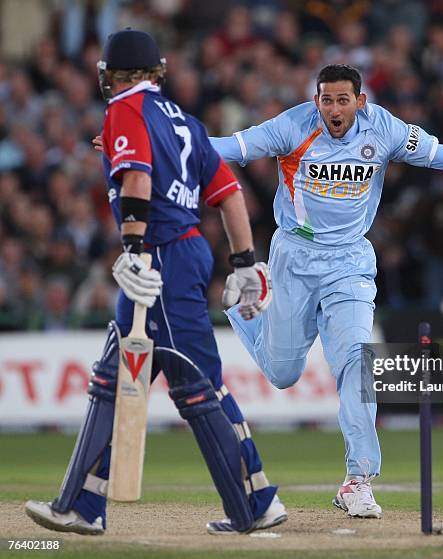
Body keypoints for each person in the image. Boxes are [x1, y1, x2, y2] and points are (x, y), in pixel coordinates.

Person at [211, 64, 443, 518]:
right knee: (284, 374)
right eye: (326, 100)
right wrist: (157, 149)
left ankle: (357, 479)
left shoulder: (384, 129)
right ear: (317, 101)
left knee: (356, 359)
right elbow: (230, 147)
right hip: (296, 257)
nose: (333, 109)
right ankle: (248, 309)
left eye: (342, 100)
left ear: (360, 101)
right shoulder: (293, 126)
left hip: (349, 260)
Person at [25, 28, 286, 536]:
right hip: (183, 251)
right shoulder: (185, 122)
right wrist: (244, 264)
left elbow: (139, 180)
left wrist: (133, 250)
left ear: (112, 76)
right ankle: (81, 504)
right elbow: (231, 196)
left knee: (196, 385)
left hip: (160, 255)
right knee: (117, 379)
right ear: (158, 72)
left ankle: (254, 502)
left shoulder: (125, 108)